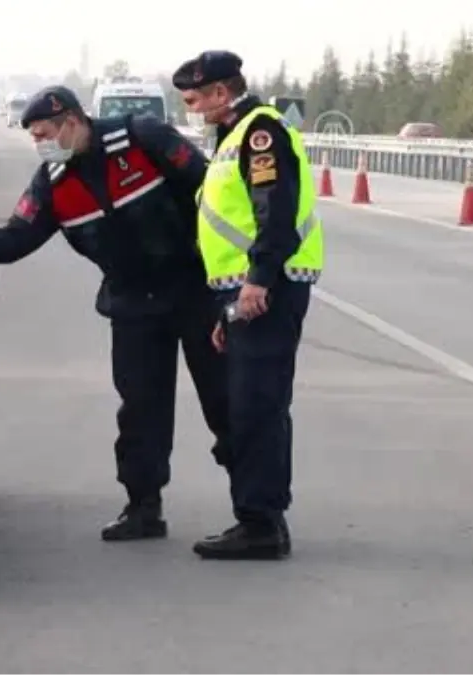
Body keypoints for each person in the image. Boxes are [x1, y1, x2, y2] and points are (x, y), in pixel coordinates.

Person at [0, 85, 231, 542]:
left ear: (73, 122)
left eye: (45, 133)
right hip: (133, 304)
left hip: (196, 291)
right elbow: (19, 236)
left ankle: (257, 515)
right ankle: (143, 509)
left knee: (228, 401)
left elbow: (215, 189)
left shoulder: (141, 140)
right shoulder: (53, 182)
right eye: (34, 135)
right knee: (140, 413)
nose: (41, 143)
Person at [171, 51, 324, 560]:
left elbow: (273, 211)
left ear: (220, 92)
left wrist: (257, 280)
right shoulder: (233, 137)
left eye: (194, 99)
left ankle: (259, 524)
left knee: (256, 406)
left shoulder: (260, 133)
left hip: (268, 289)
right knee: (254, 404)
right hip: (245, 293)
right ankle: (264, 519)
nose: (191, 108)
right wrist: (226, 307)